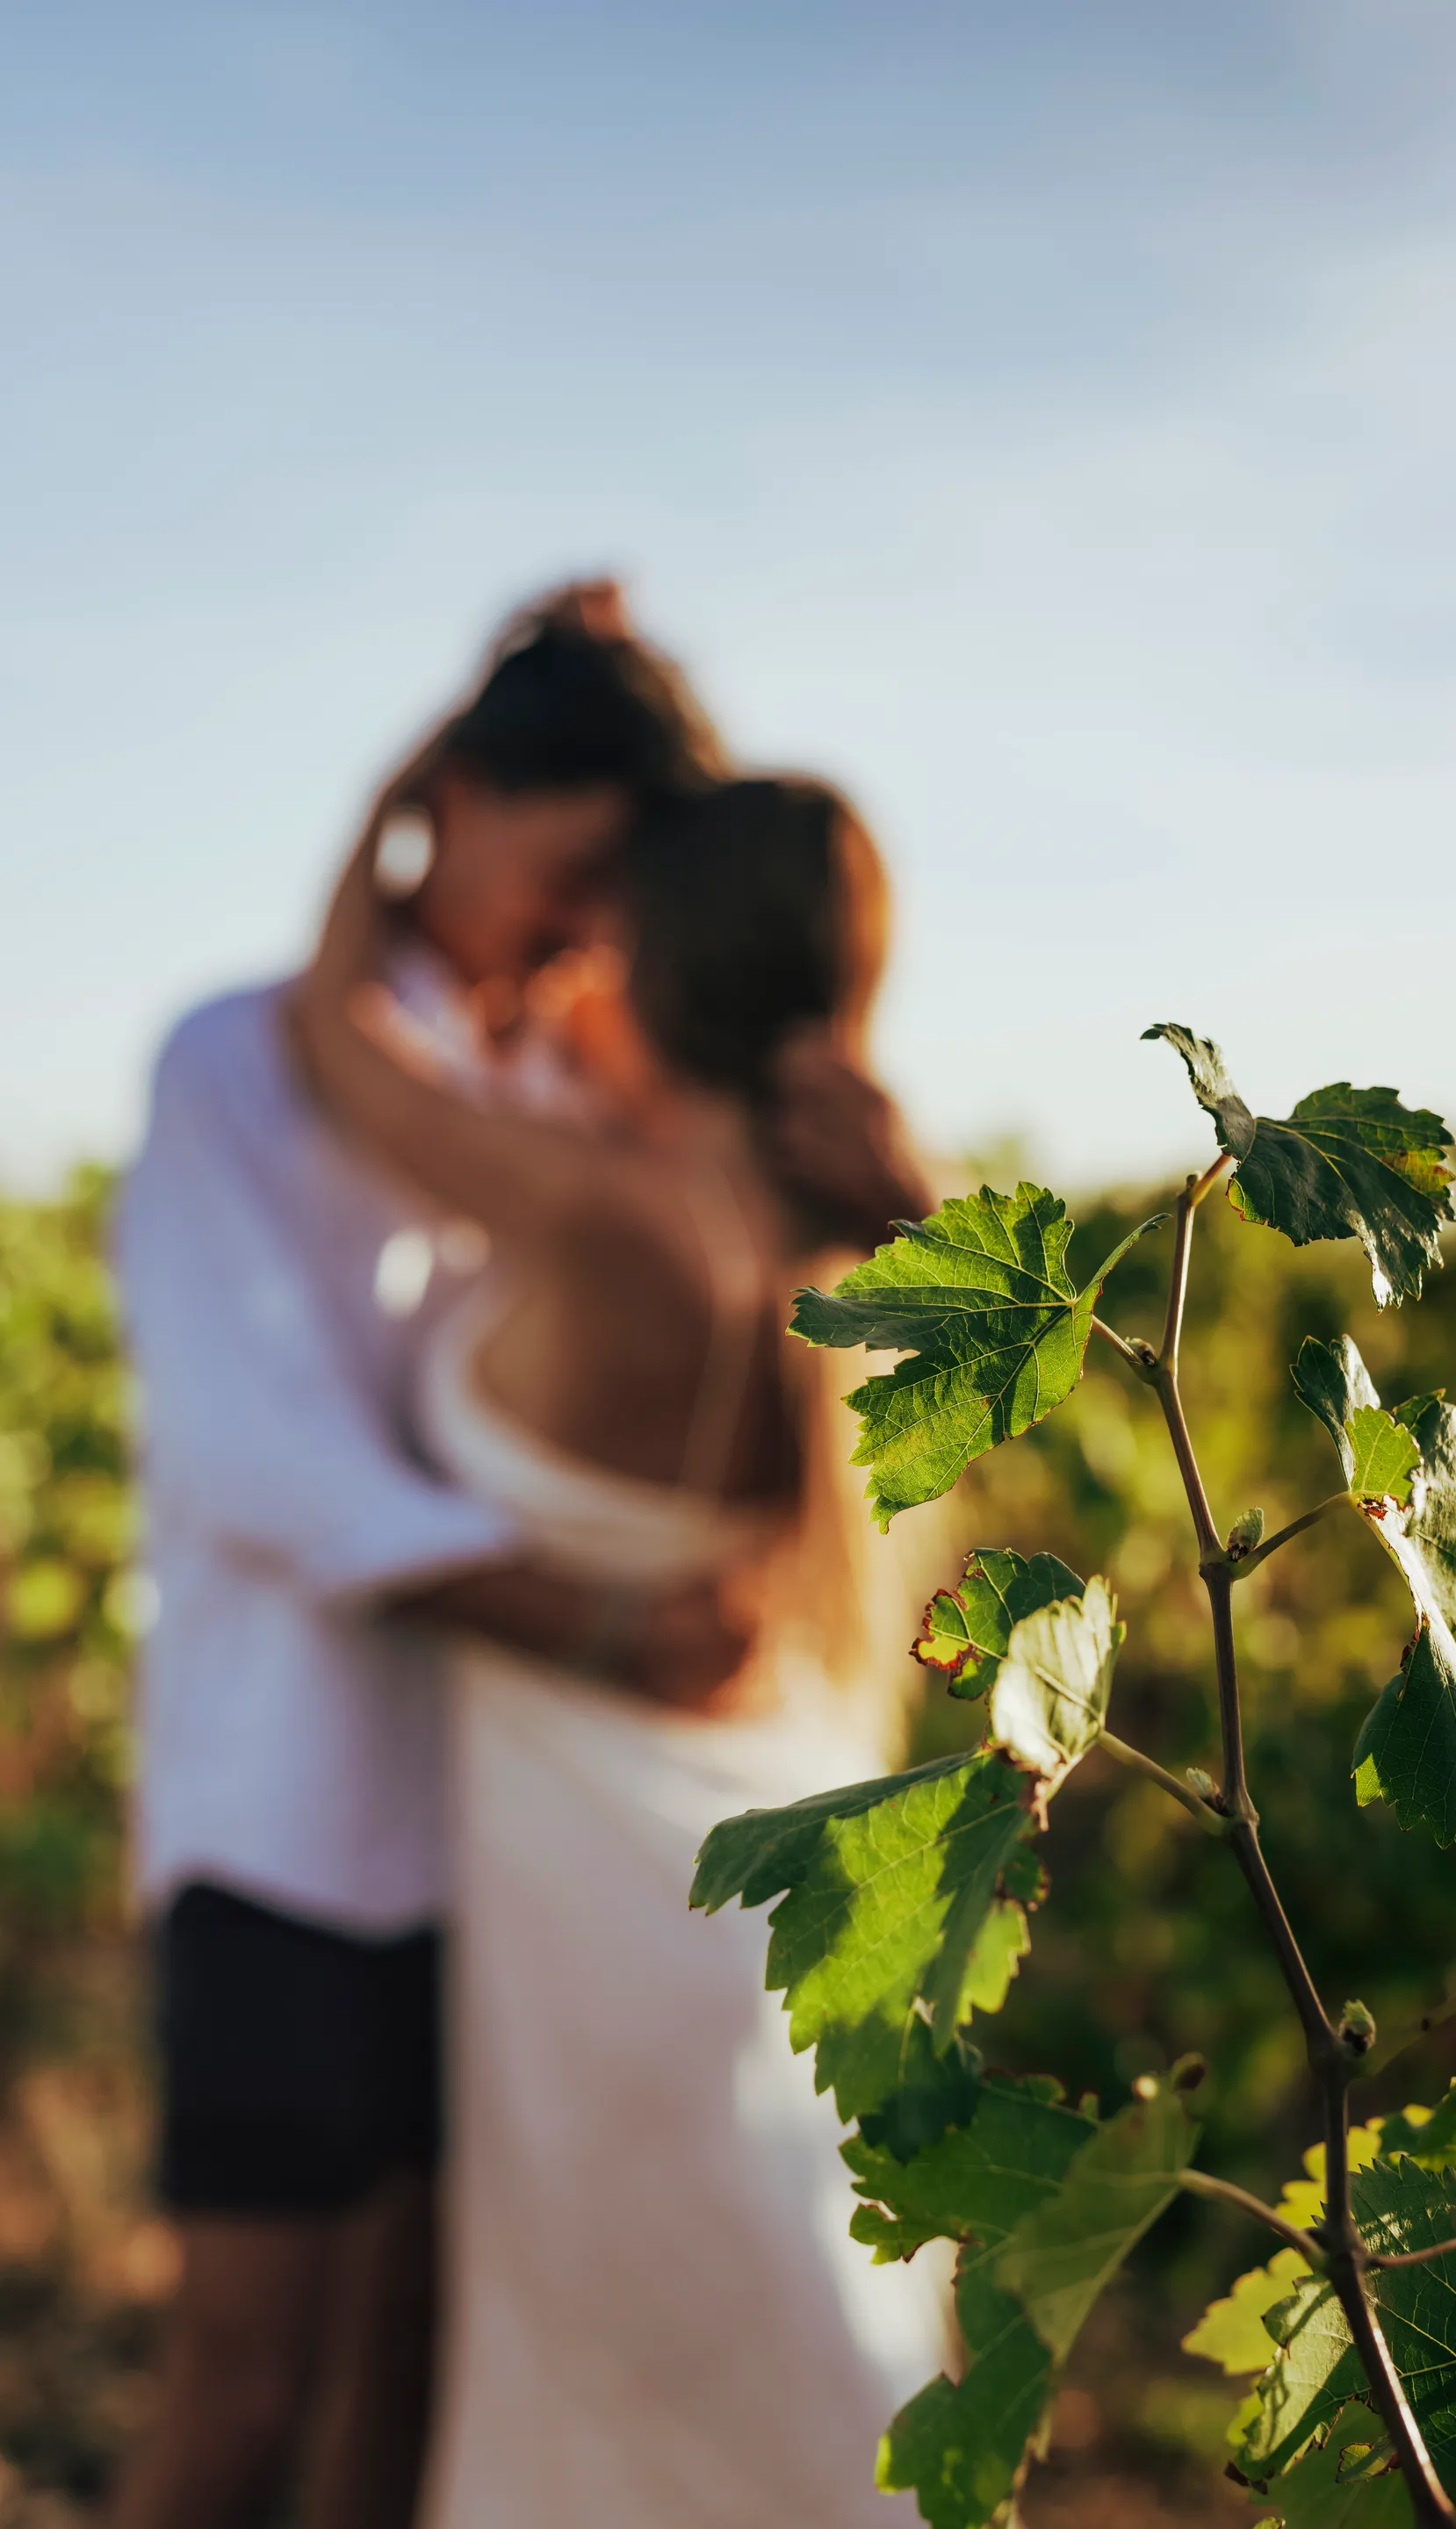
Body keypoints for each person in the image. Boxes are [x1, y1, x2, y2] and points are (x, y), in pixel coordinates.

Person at [111, 587, 919, 2529]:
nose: (582, 943)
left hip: (518, 1864)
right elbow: (250, 1454)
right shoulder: (236, 1069)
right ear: (453, 804)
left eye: (615, 906)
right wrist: (595, 1614)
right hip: (296, 1824)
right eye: (566, 881)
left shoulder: (584, 1103)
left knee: (418, 2392)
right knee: (242, 2390)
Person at [288, 774, 948, 2529]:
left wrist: (414, 788)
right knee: (761, 2331)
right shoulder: (842, 1251)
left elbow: (329, 1032)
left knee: (622, 2362)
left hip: (590, 1907)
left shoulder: (609, 1210)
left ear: (649, 959)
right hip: (758, 1848)